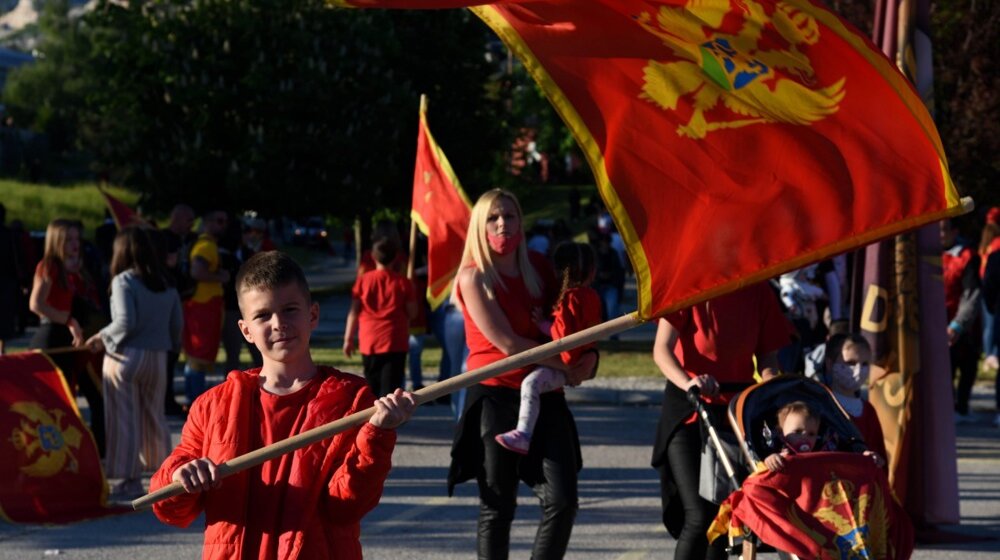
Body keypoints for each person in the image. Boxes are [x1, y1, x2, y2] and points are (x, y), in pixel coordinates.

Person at [150, 251, 417, 559]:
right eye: (263, 315)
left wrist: (378, 435)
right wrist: (179, 476)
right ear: (245, 330)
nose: (278, 324)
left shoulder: (353, 400)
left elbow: (347, 506)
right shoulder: (212, 405)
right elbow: (169, 509)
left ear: (312, 315)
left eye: (290, 310)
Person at [447, 189, 598, 559]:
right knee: (498, 506)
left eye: (510, 216)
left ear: (520, 222)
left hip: (546, 394)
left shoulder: (541, 267)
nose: (503, 224)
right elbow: (508, 344)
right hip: (495, 394)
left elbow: (573, 322)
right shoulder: (473, 277)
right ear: (480, 227)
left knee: (563, 501)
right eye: (493, 218)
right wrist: (565, 367)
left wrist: (589, 357)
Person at [651, 282, 793, 560]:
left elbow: (768, 360)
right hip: (689, 409)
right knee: (699, 513)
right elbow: (661, 350)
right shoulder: (689, 286)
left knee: (722, 513)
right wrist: (689, 382)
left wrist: (775, 389)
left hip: (734, 412)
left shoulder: (759, 290)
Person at [84, 226, 183, 499]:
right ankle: (164, 475)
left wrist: (100, 338)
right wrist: (170, 347)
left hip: (125, 356)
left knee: (123, 419)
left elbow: (125, 322)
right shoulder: (166, 283)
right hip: (158, 356)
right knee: (154, 417)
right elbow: (177, 325)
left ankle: (128, 480)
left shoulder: (123, 281)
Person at [494, 241, 602, 454]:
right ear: (592, 271)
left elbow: (563, 337)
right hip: (580, 361)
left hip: (564, 364)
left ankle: (523, 434)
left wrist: (543, 324)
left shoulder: (570, 299)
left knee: (530, 385)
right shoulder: (592, 296)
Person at [28, 218, 106, 455]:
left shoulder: (70, 268)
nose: (75, 244)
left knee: (68, 401)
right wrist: (69, 320)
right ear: (57, 240)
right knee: (54, 402)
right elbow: (35, 303)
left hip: (68, 340)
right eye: (69, 239)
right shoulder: (49, 264)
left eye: (77, 239)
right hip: (51, 337)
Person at [343, 237, 417, 397]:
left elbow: (353, 312)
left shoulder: (363, 281)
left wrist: (348, 339)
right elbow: (413, 312)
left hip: (369, 340)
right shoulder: (403, 282)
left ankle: (373, 421)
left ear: (373, 257)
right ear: (396, 257)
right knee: (391, 391)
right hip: (395, 341)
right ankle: (389, 421)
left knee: (372, 388)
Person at [181, 209, 231, 407]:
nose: (223, 225)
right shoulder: (206, 246)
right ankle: (197, 403)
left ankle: (193, 401)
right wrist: (222, 277)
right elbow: (197, 271)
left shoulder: (205, 245)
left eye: (225, 221)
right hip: (202, 307)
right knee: (198, 357)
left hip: (203, 306)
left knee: (195, 357)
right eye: (219, 220)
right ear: (207, 223)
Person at [820, 333, 888, 464]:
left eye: (864, 364)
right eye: (850, 363)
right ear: (830, 364)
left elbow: (880, 455)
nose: (858, 370)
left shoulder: (868, 411)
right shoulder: (821, 405)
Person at [941, 218, 981, 424]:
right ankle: (946, 406)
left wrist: (958, 324)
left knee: (965, 365)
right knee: (943, 369)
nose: (940, 235)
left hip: (961, 324)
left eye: (944, 230)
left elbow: (971, 294)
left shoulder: (966, 257)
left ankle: (962, 406)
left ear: (955, 231)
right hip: (936, 322)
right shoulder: (925, 253)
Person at [161, 203, 196, 416]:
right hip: (167, 299)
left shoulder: (192, 239)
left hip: (185, 298)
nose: (191, 225)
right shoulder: (163, 239)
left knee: (176, 352)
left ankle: (169, 399)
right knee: (168, 354)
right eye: (189, 220)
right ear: (177, 218)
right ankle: (165, 400)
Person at [0, 203, 26, 354]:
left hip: (6, 282)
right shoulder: (10, 235)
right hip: (6, 282)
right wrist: (22, 280)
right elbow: (17, 259)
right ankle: (1, 351)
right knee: (3, 321)